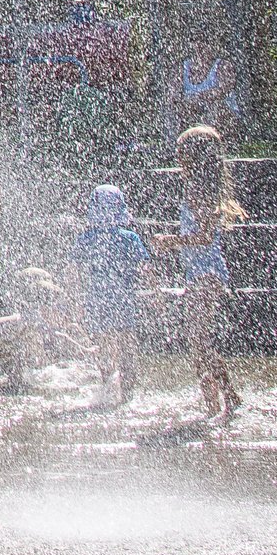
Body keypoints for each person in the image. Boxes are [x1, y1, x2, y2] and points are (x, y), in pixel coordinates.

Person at [153, 123, 242, 423]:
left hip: (205, 274)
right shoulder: (203, 187)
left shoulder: (198, 190)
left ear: (192, 157)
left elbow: (204, 236)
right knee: (200, 341)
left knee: (199, 342)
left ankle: (216, 406)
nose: (176, 157)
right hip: (203, 273)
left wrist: (171, 242)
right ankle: (226, 397)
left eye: (180, 151)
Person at [71, 181, 150, 407]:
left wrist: (73, 298)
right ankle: (127, 394)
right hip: (123, 298)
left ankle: (108, 388)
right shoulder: (129, 237)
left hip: (97, 298)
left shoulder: (86, 238)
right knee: (127, 344)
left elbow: (72, 270)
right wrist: (155, 294)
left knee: (104, 345)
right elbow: (146, 268)